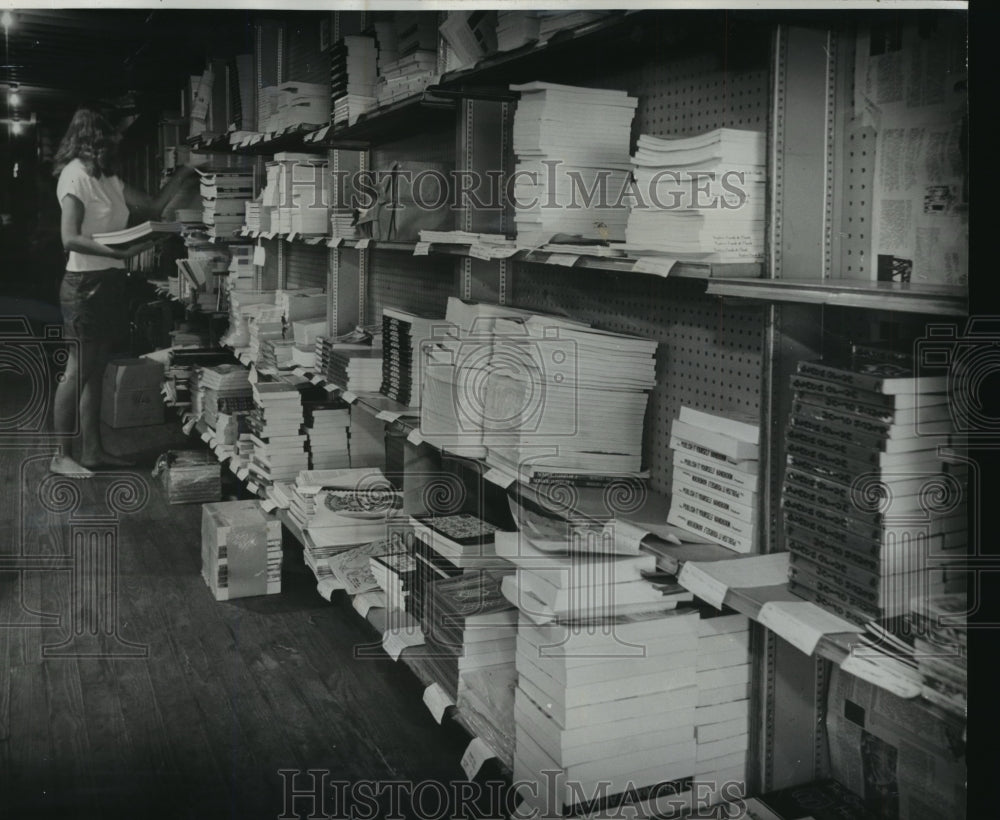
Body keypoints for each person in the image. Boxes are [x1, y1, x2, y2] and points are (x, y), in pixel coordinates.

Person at [50, 104, 197, 477]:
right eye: (112, 136)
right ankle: (61, 455)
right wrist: (122, 251)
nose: (117, 142)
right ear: (95, 138)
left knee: (96, 371)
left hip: (110, 281)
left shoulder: (107, 178)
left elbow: (153, 206)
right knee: (77, 372)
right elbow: (70, 238)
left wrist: (187, 169)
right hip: (84, 285)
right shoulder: (74, 177)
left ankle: (93, 451)